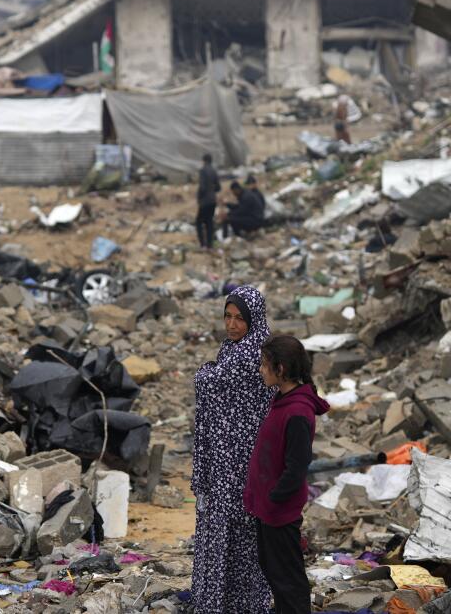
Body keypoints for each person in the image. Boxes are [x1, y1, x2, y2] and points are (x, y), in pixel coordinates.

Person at [192, 285, 275, 613]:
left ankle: (233, 602)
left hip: (240, 461)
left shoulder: (251, 353)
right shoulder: (235, 348)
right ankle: (229, 600)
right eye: (227, 316)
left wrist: (205, 372)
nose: (232, 324)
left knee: (235, 529)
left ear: (254, 319)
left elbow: (209, 382)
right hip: (228, 457)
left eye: (240, 318)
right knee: (230, 528)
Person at [244, 335, 330, 614]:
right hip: (269, 508)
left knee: (288, 579)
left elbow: (297, 467)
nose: (260, 369)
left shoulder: (297, 412)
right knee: (275, 573)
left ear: (280, 369)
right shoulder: (283, 400)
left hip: (280, 510)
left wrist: (273, 497)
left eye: (264, 364)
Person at [196, 153, 220, 249]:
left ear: (204, 161)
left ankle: (202, 244)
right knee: (209, 222)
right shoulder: (214, 171)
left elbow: (202, 187)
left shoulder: (203, 171)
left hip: (205, 201)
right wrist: (212, 191)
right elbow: (218, 187)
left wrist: (199, 197)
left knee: (199, 222)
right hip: (212, 200)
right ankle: (210, 244)